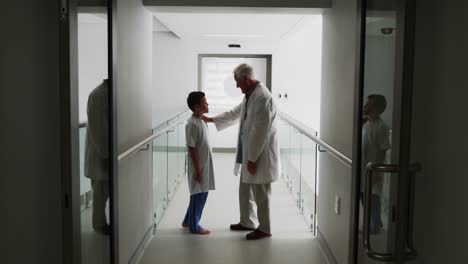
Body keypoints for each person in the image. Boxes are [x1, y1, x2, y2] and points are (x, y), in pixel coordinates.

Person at [202, 63, 280, 240]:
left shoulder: (263, 97)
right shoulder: (250, 95)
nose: (237, 86)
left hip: (259, 155)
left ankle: (265, 228)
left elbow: (261, 131)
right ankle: (247, 221)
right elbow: (235, 113)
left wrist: (252, 159)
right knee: (245, 189)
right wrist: (211, 119)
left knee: (261, 192)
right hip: (249, 153)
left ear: (246, 78)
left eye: (237, 81)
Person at [182, 91, 215, 235]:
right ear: (196, 107)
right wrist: (197, 170)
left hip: (204, 164)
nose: (208, 104)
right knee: (199, 195)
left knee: (199, 193)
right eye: (205, 102)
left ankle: (188, 220)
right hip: (198, 166)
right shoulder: (192, 124)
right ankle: (194, 226)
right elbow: (191, 149)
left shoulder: (201, 120)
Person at [361, 94, 391, 234]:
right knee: (364, 195)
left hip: (373, 168)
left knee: (373, 196)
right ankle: (375, 221)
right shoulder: (366, 124)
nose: (365, 107)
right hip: (363, 168)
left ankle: (374, 227)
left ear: (378, 109)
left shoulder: (382, 127)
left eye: (369, 105)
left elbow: (383, 149)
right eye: (366, 104)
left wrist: (377, 171)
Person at [84, 79, 110, 235]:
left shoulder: (105, 93)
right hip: (100, 155)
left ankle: (101, 224)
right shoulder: (98, 95)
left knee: (103, 192)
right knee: (100, 193)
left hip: (104, 153)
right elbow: (98, 130)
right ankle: (99, 225)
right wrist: (106, 156)